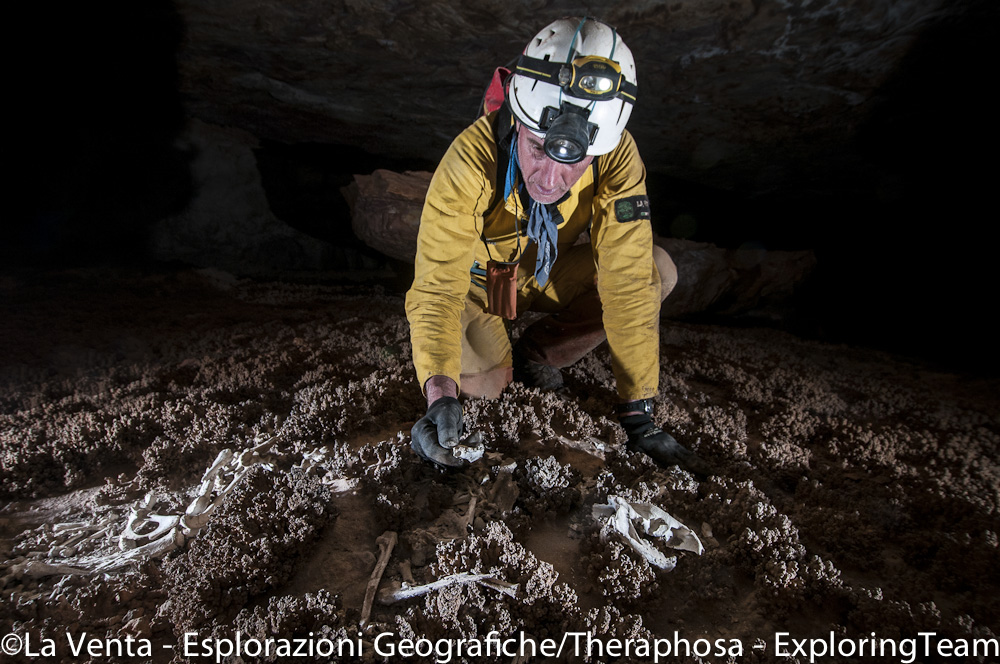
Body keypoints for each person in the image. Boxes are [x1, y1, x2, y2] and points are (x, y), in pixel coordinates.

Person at [405, 17, 708, 475]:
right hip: (485, 284)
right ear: (518, 120)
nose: (549, 180)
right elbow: (436, 287)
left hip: (548, 275)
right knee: (485, 389)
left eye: (573, 160)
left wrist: (639, 416)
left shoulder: (617, 157)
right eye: (536, 147)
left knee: (656, 269)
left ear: (599, 148)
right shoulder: (471, 157)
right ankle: (494, 356)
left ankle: (538, 353)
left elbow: (627, 279)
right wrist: (440, 396)